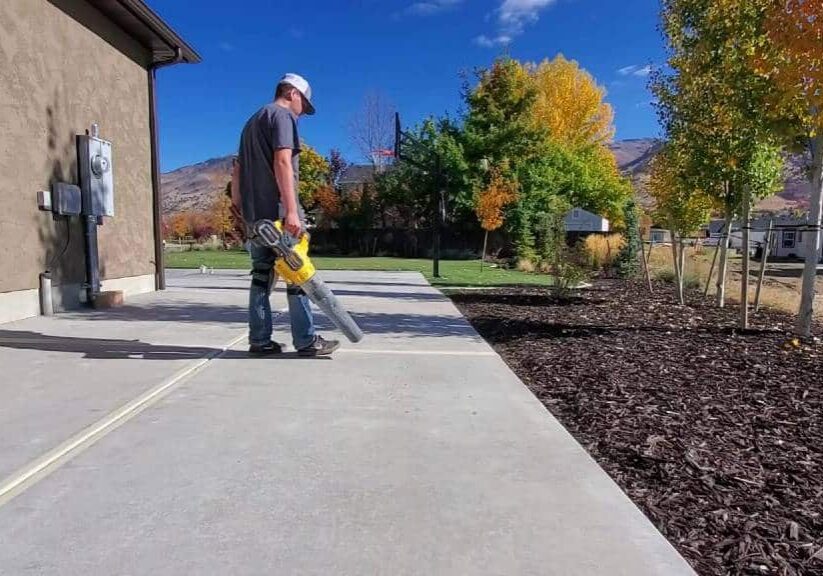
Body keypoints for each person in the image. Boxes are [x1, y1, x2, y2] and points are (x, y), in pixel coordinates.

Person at [232, 73, 339, 357]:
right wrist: (292, 210)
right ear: (293, 93)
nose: (303, 111)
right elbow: (283, 162)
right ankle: (305, 341)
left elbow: (238, 169)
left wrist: (240, 208)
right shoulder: (282, 116)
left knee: (260, 278)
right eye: (304, 102)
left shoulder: (251, 122)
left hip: (256, 218)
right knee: (297, 275)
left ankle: (260, 340)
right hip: (279, 215)